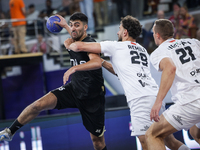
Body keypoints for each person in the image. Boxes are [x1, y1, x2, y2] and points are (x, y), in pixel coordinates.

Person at [64, 15, 189, 150]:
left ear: (125, 32)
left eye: (119, 29)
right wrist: (103, 62)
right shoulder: (142, 50)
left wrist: (67, 34)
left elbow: (77, 46)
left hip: (139, 100)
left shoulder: (116, 46)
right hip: (153, 95)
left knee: (147, 142)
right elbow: (121, 72)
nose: (117, 32)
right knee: (169, 141)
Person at [0, 12, 107, 150]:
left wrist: (74, 69)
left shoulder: (90, 44)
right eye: (71, 25)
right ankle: (10, 131)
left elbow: (97, 62)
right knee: (37, 105)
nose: (73, 28)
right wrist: (64, 25)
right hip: (73, 90)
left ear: (85, 27)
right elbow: (74, 34)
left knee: (97, 143)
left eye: (77, 25)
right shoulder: (73, 40)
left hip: (92, 98)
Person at [145, 19, 200, 150]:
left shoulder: (158, 52)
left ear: (157, 35)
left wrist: (158, 101)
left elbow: (170, 68)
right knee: (195, 132)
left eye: (153, 33)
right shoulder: (194, 42)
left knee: (152, 135)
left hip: (190, 102)